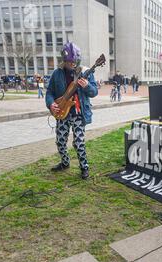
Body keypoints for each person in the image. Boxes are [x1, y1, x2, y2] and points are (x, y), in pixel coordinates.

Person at [46, 42, 98, 180]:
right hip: (63, 113)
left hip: (78, 114)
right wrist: (51, 104)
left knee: (79, 142)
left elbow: (94, 92)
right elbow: (49, 92)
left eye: (74, 61)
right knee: (60, 141)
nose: (72, 64)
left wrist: (87, 86)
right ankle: (65, 163)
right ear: (64, 60)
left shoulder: (85, 72)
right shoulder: (57, 73)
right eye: (69, 61)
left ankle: (84, 167)